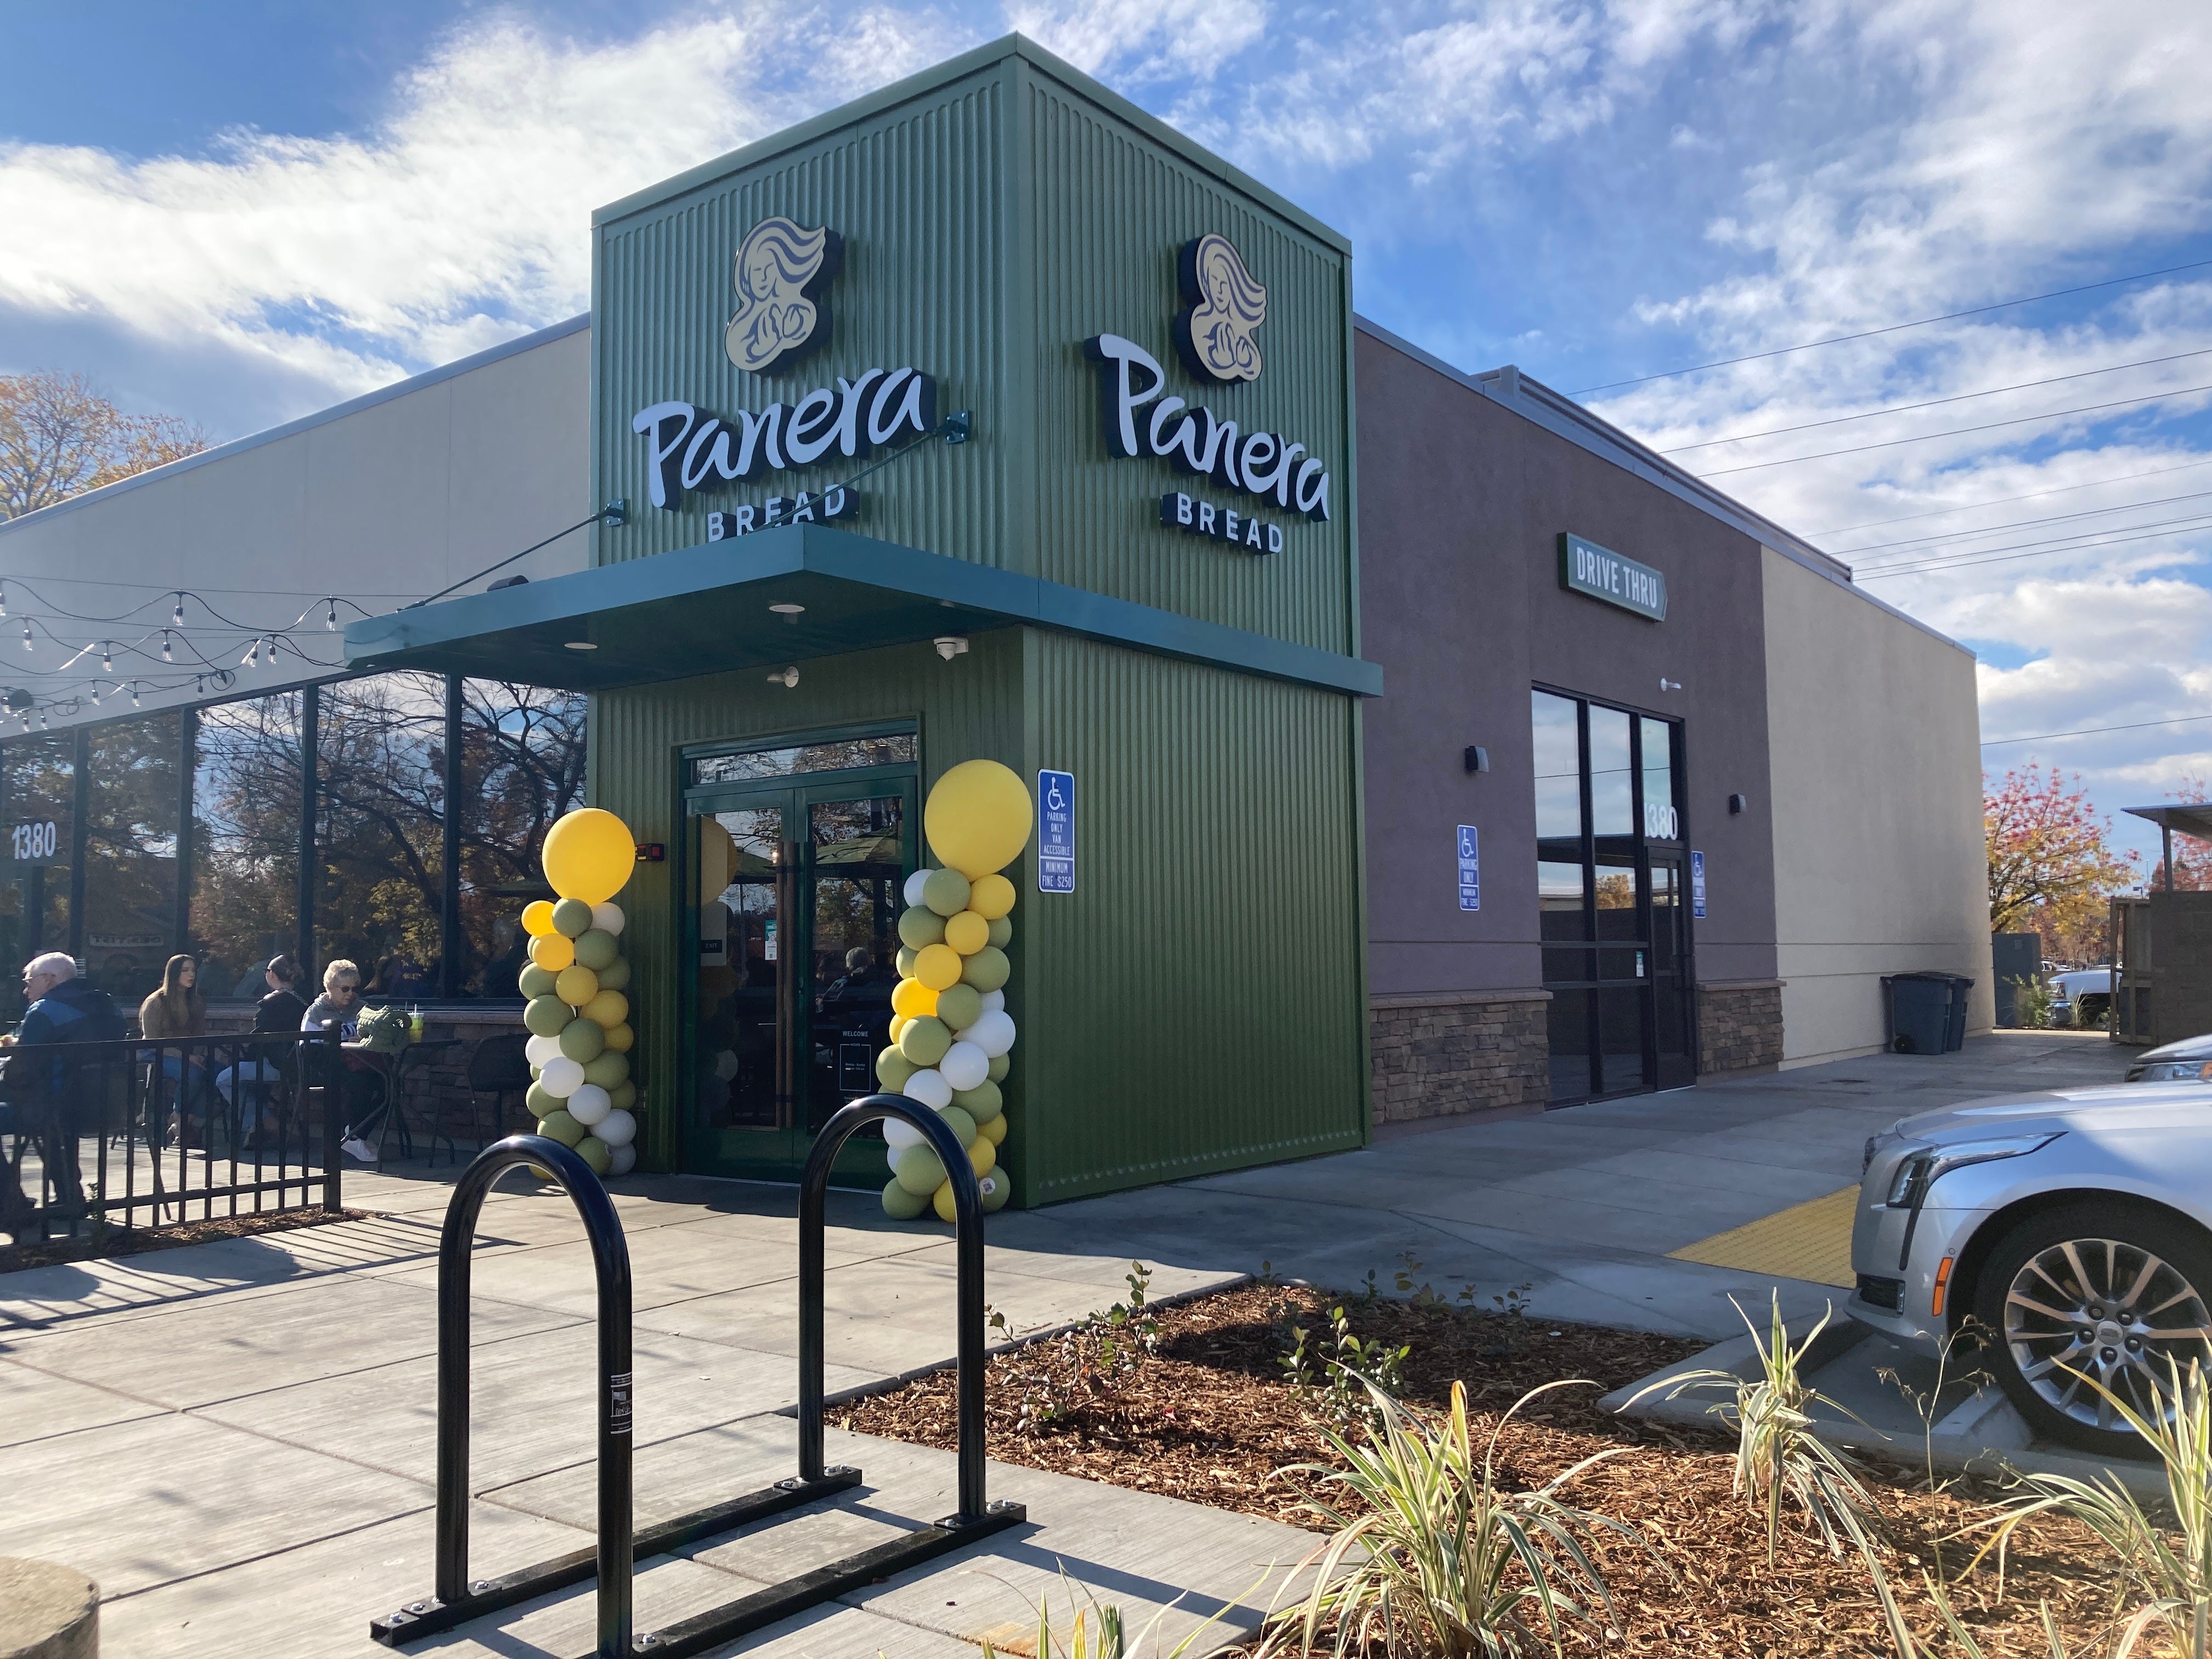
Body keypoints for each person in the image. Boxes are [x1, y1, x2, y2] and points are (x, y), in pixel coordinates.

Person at [1, 952, 125, 1228]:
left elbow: (22, 1070)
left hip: (54, 1107)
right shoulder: (106, 1005)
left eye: (29, 981)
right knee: (52, 1126)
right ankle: (70, 1198)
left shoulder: (45, 1009)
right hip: (106, 1105)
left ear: (49, 979)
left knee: (34, 1110)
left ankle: (9, 1203)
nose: (25, 989)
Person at [215, 956, 309, 1142]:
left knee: (224, 1080)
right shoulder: (305, 1003)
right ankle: (258, 1126)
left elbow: (258, 1041)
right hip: (298, 1067)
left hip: (276, 1067)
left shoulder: (270, 1004)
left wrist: (243, 1057)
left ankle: (265, 1121)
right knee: (247, 1078)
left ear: (272, 975)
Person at [302, 959, 385, 1164]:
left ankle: (355, 1135)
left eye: (354, 988)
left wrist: (365, 1038)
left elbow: (377, 1034)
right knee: (361, 1084)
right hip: (327, 1064)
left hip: (362, 1061)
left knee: (391, 1087)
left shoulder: (363, 1008)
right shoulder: (316, 1012)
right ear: (330, 987)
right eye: (345, 989)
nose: (350, 994)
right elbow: (308, 1047)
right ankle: (355, 1137)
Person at [138, 954, 211, 1146]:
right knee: (193, 1074)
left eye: (193, 970)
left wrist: (197, 1054)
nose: (191, 975)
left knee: (217, 1074)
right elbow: (153, 1040)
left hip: (190, 1054)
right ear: (174, 973)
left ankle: (181, 1122)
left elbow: (200, 1035)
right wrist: (187, 1057)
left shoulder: (196, 1001)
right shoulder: (156, 1002)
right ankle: (181, 1119)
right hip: (158, 1053)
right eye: (185, 970)